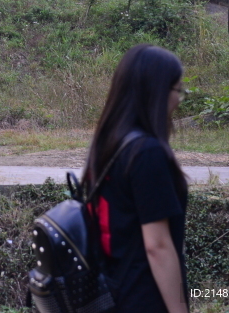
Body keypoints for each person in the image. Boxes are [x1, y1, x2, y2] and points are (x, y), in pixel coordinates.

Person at [83, 44, 189, 313]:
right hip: (143, 298)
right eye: (178, 90)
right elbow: (158, 246)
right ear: (157, 91)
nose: (180, 99)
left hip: (111, 292)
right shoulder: (147, 153)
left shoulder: (109, 143)